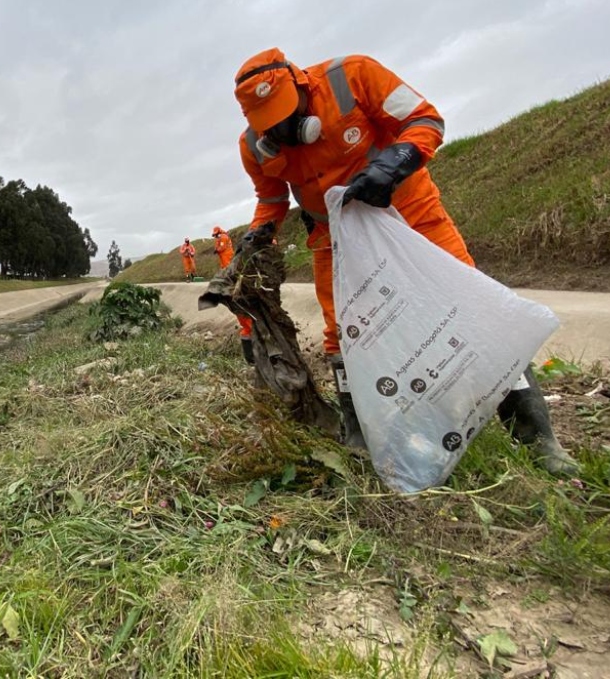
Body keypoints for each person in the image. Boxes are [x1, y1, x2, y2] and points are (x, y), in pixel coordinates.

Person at [232, 47, 576, 474]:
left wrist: (395, 163)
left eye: (287, 115)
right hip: (335, 240)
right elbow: (270, 199)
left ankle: (537, 440)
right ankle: (364, 438)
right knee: (345, 334)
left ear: (300, 85)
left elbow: (425, 119)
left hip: (410, 214)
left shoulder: (353, 76)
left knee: (475, 312)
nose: (282, 129)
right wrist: (258, 234)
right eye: (271, 123)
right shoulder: (253, 146)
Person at [212, 225, 256, 363]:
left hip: (228, 262)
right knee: (247, 328)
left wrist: (217, 249)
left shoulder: (224, 238)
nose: (216, 237)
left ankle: (253, 358)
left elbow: (222, 248)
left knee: (248, 327)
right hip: (248, 321)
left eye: (216, 235)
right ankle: (253, 359)